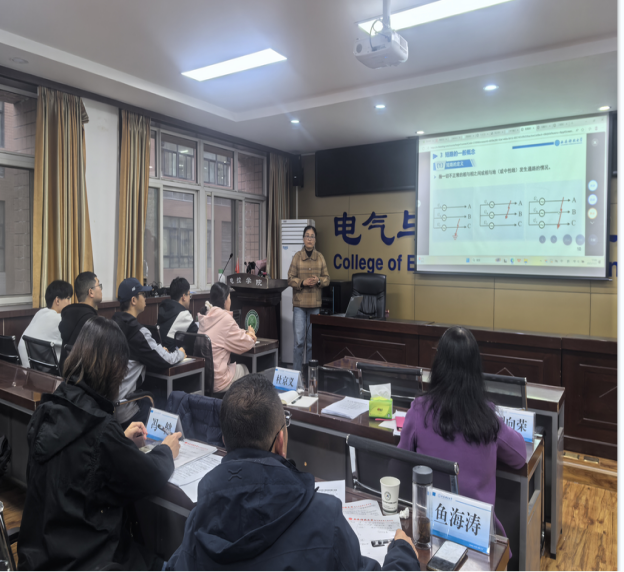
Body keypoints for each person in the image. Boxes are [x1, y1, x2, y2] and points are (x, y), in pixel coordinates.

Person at [166, 374, 419, 571]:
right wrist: (403, 554)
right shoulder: (326, 519)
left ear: (224, 440)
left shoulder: (198, 519)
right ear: (281, 442)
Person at [17, 317, 182, 571]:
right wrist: (166, 451)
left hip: (39, 558)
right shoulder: (101, 429)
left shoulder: (47, 410)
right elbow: (150, 475)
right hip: (87, 559)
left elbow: (80, 461)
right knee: (169, 563)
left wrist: (120, 440)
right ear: (114, 371)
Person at [397, 326, 526, 538]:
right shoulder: (487, 416)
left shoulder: (419, 410)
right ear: (475, 370)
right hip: (477, 535)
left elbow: (399, 461)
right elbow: (520, 456)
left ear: (438, 365)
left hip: (428, 531)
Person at [112, 278, 186, 426]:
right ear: (133, 300)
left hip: (110, 406)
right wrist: (181, 353)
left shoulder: (112, 324)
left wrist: (157, 350)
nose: (145, 298)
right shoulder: (137, 332)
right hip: (127, 409)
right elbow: (166, 360)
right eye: (143, 295)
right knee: (169, 399)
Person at [197, 282, 256, 397]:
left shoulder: (206, 316)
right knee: (244, 369)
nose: (230, 301)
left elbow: (230, 333)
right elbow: (246, 343)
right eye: (229, 297)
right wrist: (251, 335)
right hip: (219, 381)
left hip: (205, 379)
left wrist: (245, 333)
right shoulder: (225, 318)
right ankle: (242, 405)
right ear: (225, 300)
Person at [287, 225, 330, 373]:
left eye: (312, 236)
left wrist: (319, 281)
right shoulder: (297, 257)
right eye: (307, 236)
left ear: (315, 239)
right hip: (299, 305)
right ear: (303, 238)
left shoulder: (320, 257)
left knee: (312, 343)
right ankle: (297, 375)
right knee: (299, 342)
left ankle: (310, 376)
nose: (309, 239)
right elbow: (290, 279)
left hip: (314, 305)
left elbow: (327, 279)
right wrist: (302, 282)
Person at [18, 279, 73, 367]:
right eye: (68, 299)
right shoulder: (59, 319)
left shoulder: (40, 313)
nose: (70, 303)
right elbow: (73, 345)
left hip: (25, 368)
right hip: (40, 372)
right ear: (57, 300)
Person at [58, 271, 103, 370]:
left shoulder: (68, 315)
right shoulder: (93, 322)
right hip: (85, 378)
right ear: (91, 292)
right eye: (99, 285)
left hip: (67, 376)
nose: (101, 289)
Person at [157, 276, 198, 354]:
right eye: (189, 295)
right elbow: (197, 334)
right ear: (184, 297)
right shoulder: (183, 314)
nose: (189, 298)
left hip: (162, 353)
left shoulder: (164, 308)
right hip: (173, 356)